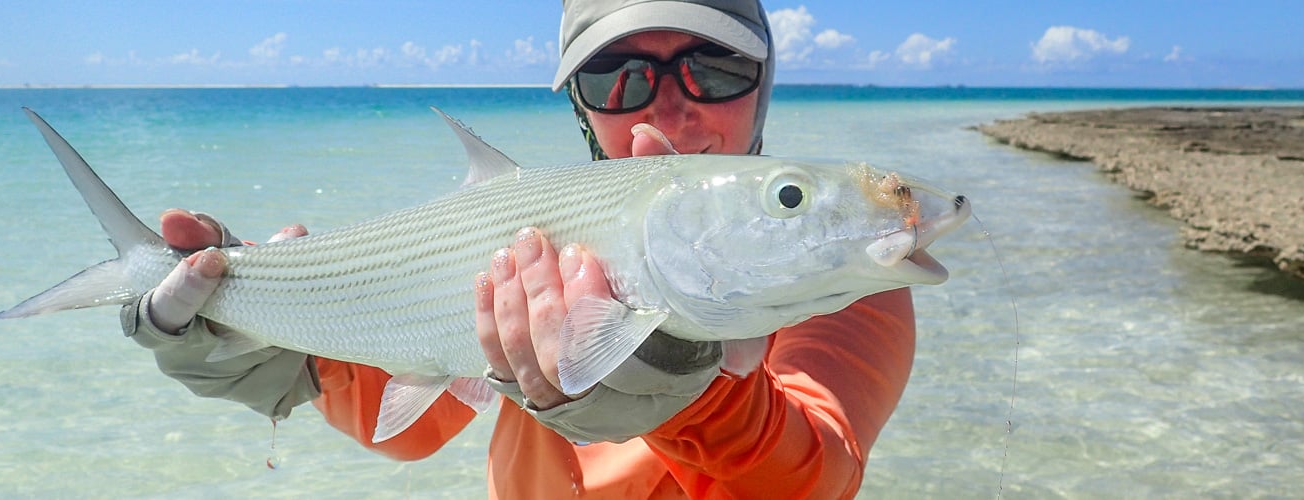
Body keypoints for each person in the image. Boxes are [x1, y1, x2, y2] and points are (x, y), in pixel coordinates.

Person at [122, 0, 916, 497]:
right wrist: (251, 335)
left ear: (765, 82)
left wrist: (687, 383)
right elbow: (408, 427)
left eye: (715, 67)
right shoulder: (539, 235)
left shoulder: (842, 269)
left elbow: (814, 475)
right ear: (581, 108)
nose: (672, 107)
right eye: (617, 77)